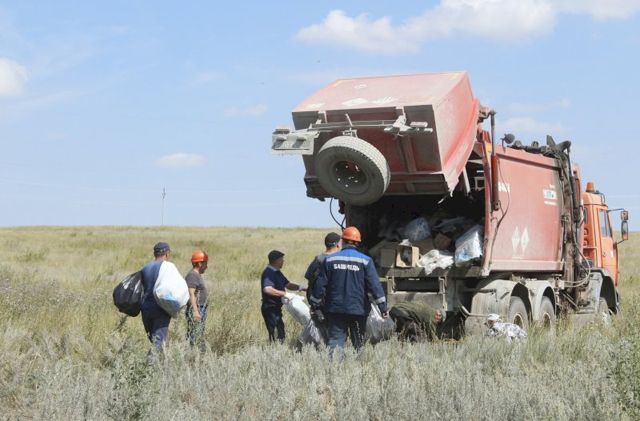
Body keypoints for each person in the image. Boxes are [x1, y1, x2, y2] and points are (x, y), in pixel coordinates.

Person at [310, 226, 388, 355]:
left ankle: (335, 365)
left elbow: (320, 285)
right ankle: (359, 365)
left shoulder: (329, 260)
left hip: (335, 309)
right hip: (358, 309)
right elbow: (375, 286)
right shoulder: (366, 261)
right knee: (359, 342)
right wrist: (383, 308)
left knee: (336, 341)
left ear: (342, 241)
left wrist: (315, 304)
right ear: (358, 243)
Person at [260, 250, 305, 343]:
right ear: (276, 261)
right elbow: (267, 289)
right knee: (277, 335)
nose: (283, 261)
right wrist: (285, 294)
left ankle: (278, 347)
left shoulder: (277, 272)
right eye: (281, 259)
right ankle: (276, 349)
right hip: (270, 309)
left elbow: (287, 284)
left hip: (276, 309)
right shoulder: (269, 273)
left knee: (280, 332)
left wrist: (301, 288)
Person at [140, 242, 172, 354]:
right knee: (158, 342)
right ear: (167, 254)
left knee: (153, 340)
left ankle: (159, 362)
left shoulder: (145, 268)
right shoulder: (167, 267)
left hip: (145, 308)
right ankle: (149, 364)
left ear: (155, 254)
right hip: (160, 308)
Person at [303, 232, 341, 302]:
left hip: (316, 299)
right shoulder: (337, 260)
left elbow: (308, 277)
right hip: (331, 300)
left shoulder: (317, 259)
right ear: (337, 245)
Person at [185, 250, 210, 349]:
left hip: (200, 309)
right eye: (205, 263)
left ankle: (195, 353)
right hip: (197, 309)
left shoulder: (196, 275)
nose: (206, 266)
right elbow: (190, 293)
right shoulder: (192, 275)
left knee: (198, 335)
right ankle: (193, 354)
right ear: (199, 263)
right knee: (195, 336)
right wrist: (195, 311)